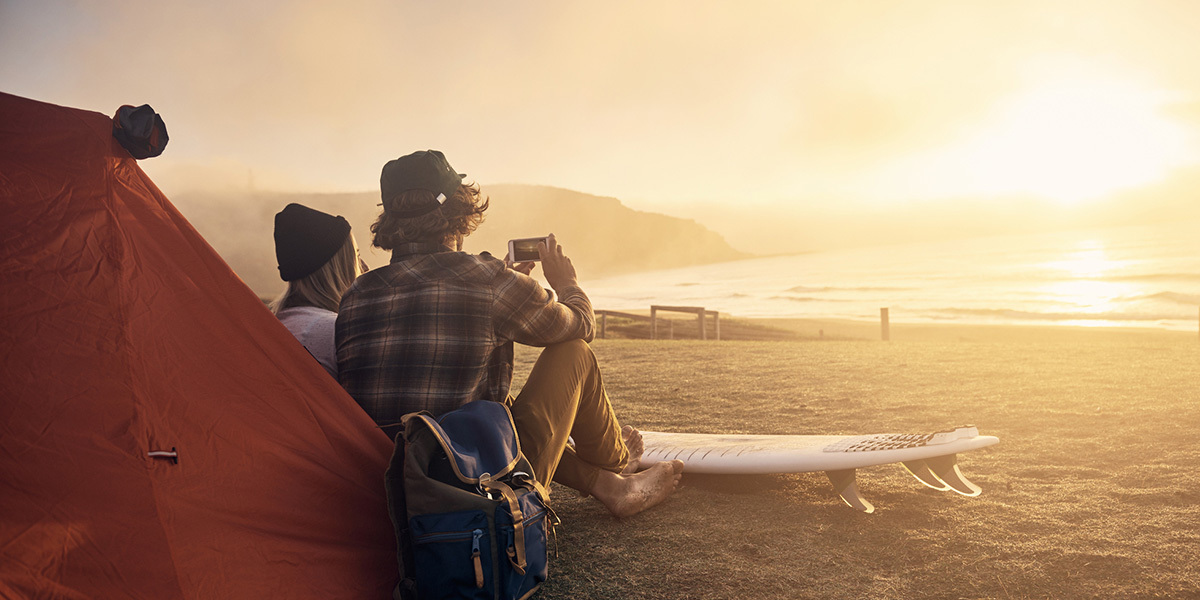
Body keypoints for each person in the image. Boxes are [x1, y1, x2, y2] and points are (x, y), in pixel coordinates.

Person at [336, 150, 683, 518]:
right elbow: (581, 323)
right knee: (574, 352)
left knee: (494, 403)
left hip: (391, 496)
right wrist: (567, 284)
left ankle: (608, 485)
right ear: (459, 210)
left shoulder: (356, 295)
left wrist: (502, 284)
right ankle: (619, 461)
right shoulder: (486, 280)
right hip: (481, 491)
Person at [270, 203, 367, 379]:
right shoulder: (336, 331)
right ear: (338, 269)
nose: (364, 267)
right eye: (356, 257)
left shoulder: (276, 325)